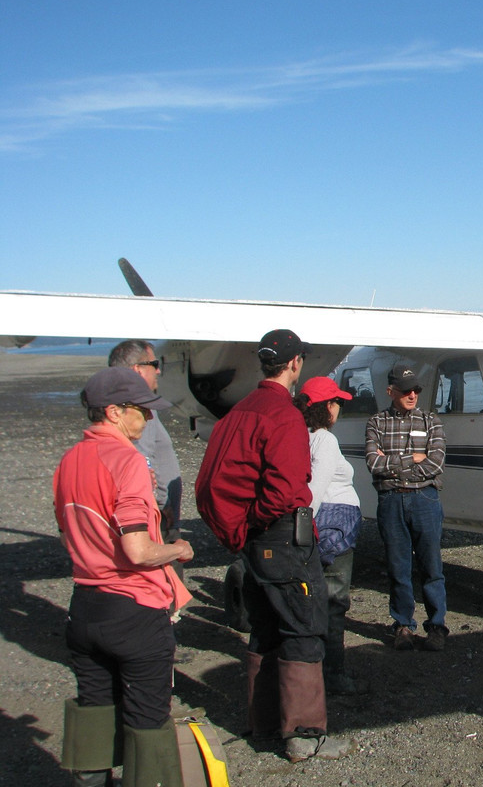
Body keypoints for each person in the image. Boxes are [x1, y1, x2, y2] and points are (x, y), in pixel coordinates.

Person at [195, 329, 351, 763]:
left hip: (255, 540)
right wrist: (262, 521)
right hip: (283, 536)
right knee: (304, 627)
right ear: (296, 363)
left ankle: (263, 723)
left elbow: (208, 483)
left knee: (264, 627)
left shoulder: (240, 411)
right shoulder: (283, 415)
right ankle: (304, 734)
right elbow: (286, 492)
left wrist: (239, 530)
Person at [54, 367, 194, 787]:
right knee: (148, 720)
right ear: (114, 412)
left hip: (85, 605)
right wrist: (178, 549)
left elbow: (68, 536)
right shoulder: (128, 460)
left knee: (94, 711)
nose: (149, 419)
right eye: (142, 411)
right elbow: (136, 551)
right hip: (134, 609)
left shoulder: (70, 459)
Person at [365, 361, 449, 652]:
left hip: (424, 499)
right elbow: (372, 464)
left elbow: (436, 462)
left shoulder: (431, 421)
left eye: (415, 390)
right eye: (405, 391)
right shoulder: (376, 422)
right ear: (391, 391)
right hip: (391, 501)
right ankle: (403, 626)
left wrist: (393, 465)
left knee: (431, 565)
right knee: (398, 567)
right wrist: (412, 459)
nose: (412, 395)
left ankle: (436, 626)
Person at [295, 376, 365, 695]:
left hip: (321, 524)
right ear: (325, 407)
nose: (339, 408)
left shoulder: (299, 435)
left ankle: (314, 669)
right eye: (335, 402)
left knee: (313, 601)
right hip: (333, 527)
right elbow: (315, 490)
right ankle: (334, 674)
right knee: (334, 602)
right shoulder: (324, 439)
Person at [108, 340, 184, 577]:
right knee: (162, 585)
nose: (158, 370)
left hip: (156, 516)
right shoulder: (135, 411)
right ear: (137, 370)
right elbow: (140, 459)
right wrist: (159, 506)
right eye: (154, 364)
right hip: (153, 520)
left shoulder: (133, 406)